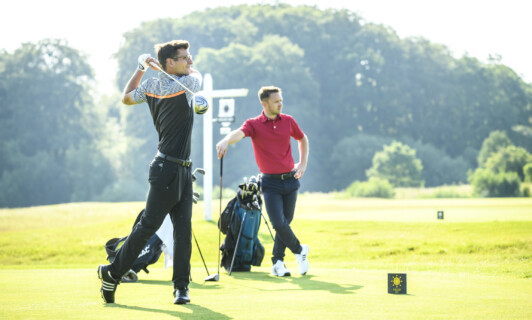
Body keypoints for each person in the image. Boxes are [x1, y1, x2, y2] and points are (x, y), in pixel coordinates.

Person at [97, 40, 202, 305]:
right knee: (148, 226)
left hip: (181, 168)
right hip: (167, 168)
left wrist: (141, 68)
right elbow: (196, 76)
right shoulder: (187, 84)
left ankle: (181, 288)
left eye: (190, 57)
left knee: (183, 230)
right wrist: (188, 72)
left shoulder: (151, 85)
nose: (190, 61)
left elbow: (127, 95)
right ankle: (112, 272)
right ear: (170, 63)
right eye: (185, 57)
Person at [216, 86, 310, 277]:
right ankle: (300, 251)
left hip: (290, 180)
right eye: (276, 101)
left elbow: (302, 139)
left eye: (281, 100)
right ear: (264, 103)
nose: (280, 104)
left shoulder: (289, 121)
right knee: (278, 224)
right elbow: (239, 133)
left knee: (285, 223)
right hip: (270, 183)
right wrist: (226, 140)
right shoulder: (254, 124)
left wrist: (302, 164)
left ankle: (278, 262)